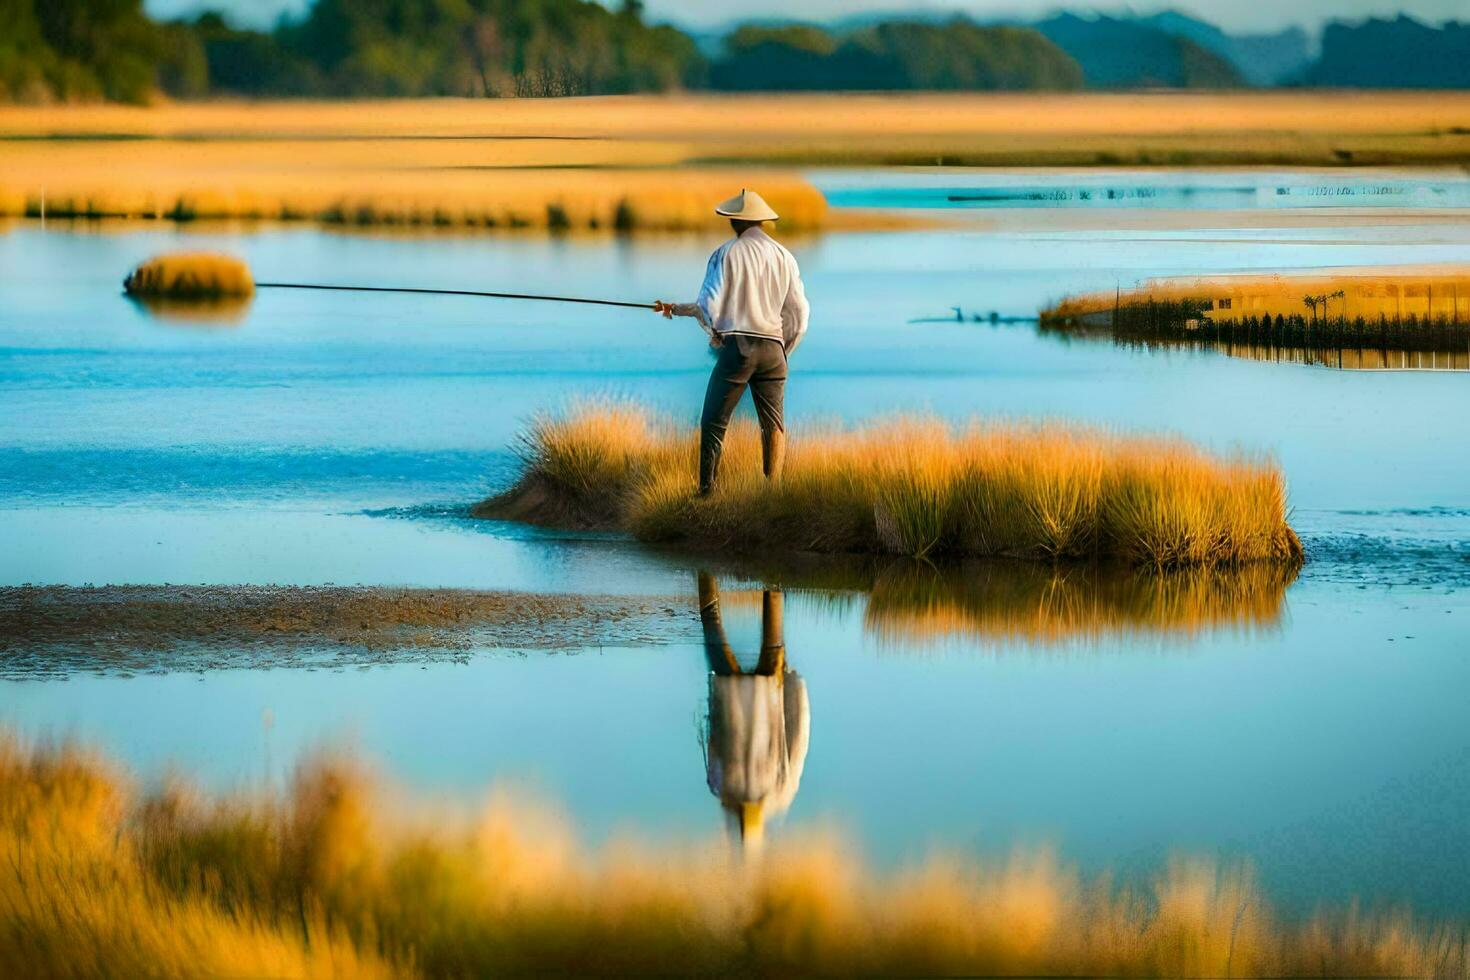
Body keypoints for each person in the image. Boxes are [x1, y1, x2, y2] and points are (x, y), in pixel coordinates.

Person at [654, 189, 810, 495]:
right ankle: (772, 492)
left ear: (736, 222)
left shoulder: (725, 254)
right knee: (773, 423)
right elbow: (800, 313)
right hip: (774, 350)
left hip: (739, 348)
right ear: (761, 221)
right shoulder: (784, 257)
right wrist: (784, 349)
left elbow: (707, 306)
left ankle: (706, 492)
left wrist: (715, 334)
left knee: (714, 419)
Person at [697, 571, 810, 851]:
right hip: (747, 692)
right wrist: (794, 685)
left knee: (768, 621)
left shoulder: (772, 792)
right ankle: (705, 568)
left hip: (761, 689)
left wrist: (794, 684)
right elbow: (797, 737)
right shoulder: (726, 789)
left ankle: (709, 568)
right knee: (713, 623)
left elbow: (798, 735)